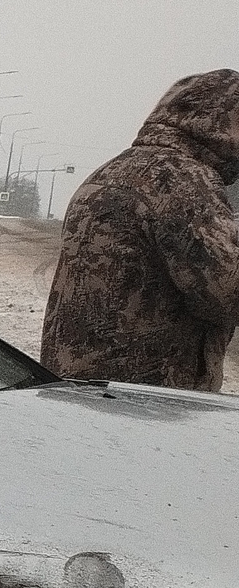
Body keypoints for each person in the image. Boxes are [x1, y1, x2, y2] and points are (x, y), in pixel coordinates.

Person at [40, 69, 239, 390]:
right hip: (146, 398)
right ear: (225, 126)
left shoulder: (116, 168)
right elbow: (225, 293)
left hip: (78, 384)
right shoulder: (182, 181)